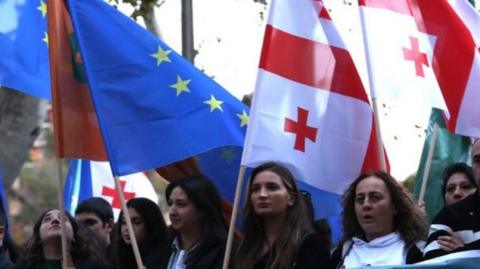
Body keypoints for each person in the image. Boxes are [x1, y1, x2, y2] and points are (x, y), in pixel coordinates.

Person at [234, 162, 330, 269]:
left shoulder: (310, 245)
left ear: (291, 198)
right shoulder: (242, 247)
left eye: (272, 187)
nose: (262, 195)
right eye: (256, 189)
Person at [329, 171, 427, 268]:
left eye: (375, 197)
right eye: (360, 199)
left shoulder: (416, 252)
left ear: (395, 206)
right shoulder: (342, 252)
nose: (366, 204)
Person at [423, 140, 480, 259]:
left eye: (466, 187)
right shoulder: (448, 215)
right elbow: (432, 261)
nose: (457, 193)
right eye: (478, 160)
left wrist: (463, 251)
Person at [4, 209, 105, 269]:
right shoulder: (24, 266)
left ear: (74, 236)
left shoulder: (94, 265)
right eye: (47, 219)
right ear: (38, 237)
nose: (55, 220)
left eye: (63, 219)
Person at [165, 175, 228, 269]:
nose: (172, 211)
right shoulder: (162, 246)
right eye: (170, 203)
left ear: (202, 209)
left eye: (180, 204)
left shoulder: (225, 253)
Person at [114, 197, 169, 269]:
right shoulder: (114, 255)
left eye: (136, 222)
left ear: (151, 224)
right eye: (124, 222)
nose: (127, 228)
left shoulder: (168, 255)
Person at [75, 197, 115, 267]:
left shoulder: (124, 259)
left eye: (90, 223)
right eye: (78, 225)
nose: (82, 229)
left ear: (109, 225)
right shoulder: (72, 258)